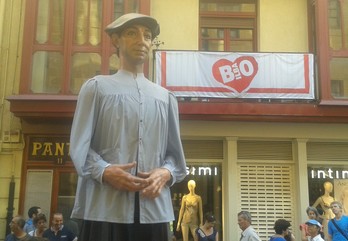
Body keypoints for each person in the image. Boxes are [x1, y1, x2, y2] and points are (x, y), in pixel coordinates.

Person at [69, 12, 187, 241]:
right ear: (116, 40)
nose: (141, 40)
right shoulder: (96, 88)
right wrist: (104, 170)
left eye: (147, 35)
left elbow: (176, 159)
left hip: (154, 212)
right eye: (132, 33)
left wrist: (165, 172)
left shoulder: (166, 97)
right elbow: (79, 147)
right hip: (104, 210)